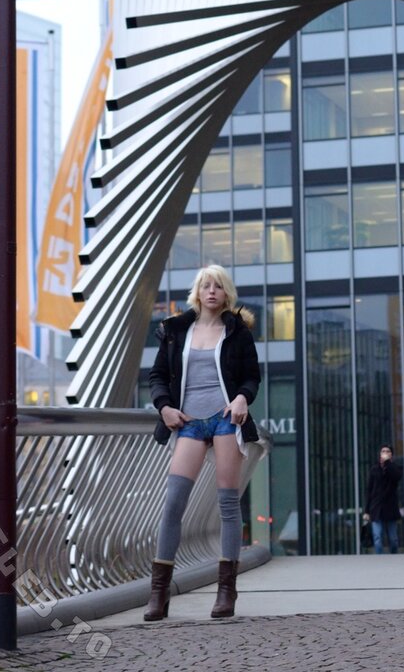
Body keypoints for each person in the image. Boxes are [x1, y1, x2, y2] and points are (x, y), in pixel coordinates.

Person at [144, 264, 261, 621]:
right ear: (197, 292)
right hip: (189, 423)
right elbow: (157, 376)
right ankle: (159, 593)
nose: (212, 291)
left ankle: (226, 591)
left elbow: (252, 377)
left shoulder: (237, 331)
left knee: (228, 504)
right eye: (206, 286)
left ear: (227, 294)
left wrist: (241, 398)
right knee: (173, 504)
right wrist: (164, 407)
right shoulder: (176, 330)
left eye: (218, 286)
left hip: (225, 420)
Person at [362, 445, 402, 554]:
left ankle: (394, 558)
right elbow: (369, 490)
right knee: (377, 537)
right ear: (380, 454)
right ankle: (380, 560)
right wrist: (366, 511)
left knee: (393, 540)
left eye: (387, 451)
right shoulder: (374, 469)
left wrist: (387, 462)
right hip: (376, 508)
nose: (385, 453)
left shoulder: (396, 468)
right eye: (383, 451)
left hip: (390, 508)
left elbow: (397, 477)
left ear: (391, 455)